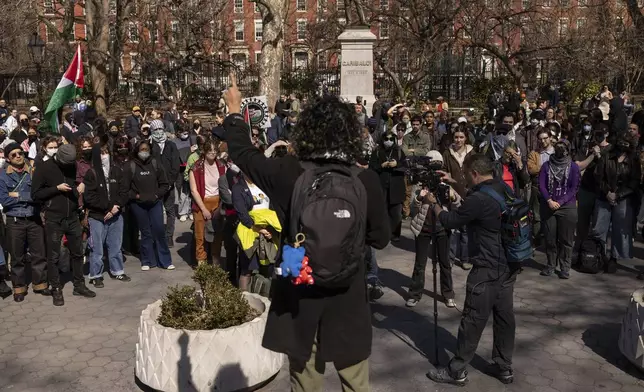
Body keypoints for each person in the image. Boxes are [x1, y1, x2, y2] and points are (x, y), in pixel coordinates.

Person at [223, 75, 390, 391]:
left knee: (305, 381)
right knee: (356, 382)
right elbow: (381, 239)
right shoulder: (365, 180)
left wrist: (234, 112)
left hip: (299, 286)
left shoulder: (288, 172)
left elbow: (244, 155)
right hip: (348, 293)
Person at [426, 154, 521, 386]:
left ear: (475, 174)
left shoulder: (478, 200)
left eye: (466, 175)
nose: (466, 178)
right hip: (509, 265)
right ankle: (503, 366)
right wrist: (454, 181)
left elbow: (450, 221)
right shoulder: (503, 187)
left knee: (472, 319)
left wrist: (433, 204)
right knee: (504, 317)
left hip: (486, 269)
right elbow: (479, 199)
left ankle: (456, 370)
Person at [31, 144, 96, 306]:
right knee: (53, 256)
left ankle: (79, 285)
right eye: (66, 163)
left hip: (73, 216)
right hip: (54, 217)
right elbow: (35, 194)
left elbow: (77, 182)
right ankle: (56, 288)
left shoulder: (72, 164)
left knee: (77, 252)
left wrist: (80, 187)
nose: (69, 166)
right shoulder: (44, 168)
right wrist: (56, 189)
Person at [408, 151, 457, 308]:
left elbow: (459, 203)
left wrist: (452, 196)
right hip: (423, 227)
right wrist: (419, 197)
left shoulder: (446, 183)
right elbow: (411, 208)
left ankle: (448, 294)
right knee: (420, 263)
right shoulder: (421, 183)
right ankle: (415, 293)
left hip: (442, 228)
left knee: (445, 263)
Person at [0, 142, 49, 302]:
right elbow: (5, 200)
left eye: (20, 153)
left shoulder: (33, 172)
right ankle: (19, 288)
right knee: (17, 256)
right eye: (13, 154)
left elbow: (39, 195)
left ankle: (40, 284)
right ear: (8, 158)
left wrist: (17, 195)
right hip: (15, 221)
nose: (18, 156)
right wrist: (26, 196)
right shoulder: (2, 175)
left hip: (34, 218)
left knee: (39, 254)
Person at [83, 143, 131, 288]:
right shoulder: (91, 173)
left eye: (106, 152)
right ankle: (96, 275)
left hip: (115, 215)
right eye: (101, 153)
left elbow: (124, 191)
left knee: (115, 245)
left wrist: (116, 207)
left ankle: (117, 271)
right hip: (98, 216)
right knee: (96, 248)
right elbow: (89, 197)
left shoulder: (117, 170)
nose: (104, 156)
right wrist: (107, 208)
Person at [592, 132, 641, 272]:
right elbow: (598, 176)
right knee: (599, 228)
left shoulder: (633, 160)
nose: (623, 145)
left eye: (626, 143)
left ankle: (614, 257)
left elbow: (635, 181)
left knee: (620, 229)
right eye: (621, 142)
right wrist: (608, 192)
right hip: (604, 196)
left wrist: (618, 195)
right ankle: (599, 255)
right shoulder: (607, 156)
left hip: (624, 198)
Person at [128, 140, 175, 271]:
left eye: (146, 149)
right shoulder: (131, 166)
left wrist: (156, 195)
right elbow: (125, 188)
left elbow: (164, 184)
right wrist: (136, 196)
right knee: (145, 233)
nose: (144, 152)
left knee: (159, 230)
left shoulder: (155, 164)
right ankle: (147, 260)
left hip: (155, 203)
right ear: (137, 151)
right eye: (141, 149)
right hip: (138, 205)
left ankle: (165, 261)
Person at [538, 140, 580, 278]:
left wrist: (560, 202)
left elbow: (574, 188)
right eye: (558, 148)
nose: (560, 151)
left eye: (563, 148)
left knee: (566, 240)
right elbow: (541, 185)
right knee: (550, 239)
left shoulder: (573, 167)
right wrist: (549, 200)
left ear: (568, 150)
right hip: (549, 204)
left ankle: (565, 267)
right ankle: (550, 265)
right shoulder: (546, 166)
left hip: (567, 206)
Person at [189, 138, 226, 266]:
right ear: (204, 151)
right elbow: (194, 190)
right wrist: (203, 209)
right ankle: (201, 260)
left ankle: (215, 258)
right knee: (200, 235)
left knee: (217, 234)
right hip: (202, 202)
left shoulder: (221, 166)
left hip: (217, 202)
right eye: (210, 151)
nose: (213, 153)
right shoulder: (196, 167)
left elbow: (225, 187)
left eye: (215, 151)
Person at [443, 126, 474, 270]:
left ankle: (465, 258)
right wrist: (449, 188)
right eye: (456, 137)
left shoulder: (472, 153)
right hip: (452, 194)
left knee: (466, 229)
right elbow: (444, 173)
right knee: (453, 229)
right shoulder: (447, 154)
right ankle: (449, 257)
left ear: (465, 138)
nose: (458, 140)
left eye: (461, 137)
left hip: (469, 195)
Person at [149, 119, 181, 247]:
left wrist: (170, 182)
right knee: (155, 211)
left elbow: (175, 165)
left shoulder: (171, 145)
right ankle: (157, 235)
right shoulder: (149, 145)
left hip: (169, 184)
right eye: (155, 130)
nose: (158, 132)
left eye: (160, 129)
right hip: (155, 185)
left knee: (170, 211)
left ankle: (169, 236)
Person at [370, 130, 406, 242]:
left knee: (396, 213)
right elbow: (371, 167)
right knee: (382, 211)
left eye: (391, 139)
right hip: (382, 185)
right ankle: (383, 234)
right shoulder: (376, 151)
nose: (389, 141)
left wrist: (397, 164)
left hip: (396, 186)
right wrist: (381, 166)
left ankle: (395, 234)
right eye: (386, 139)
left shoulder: (399, 151)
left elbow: (406, 166)